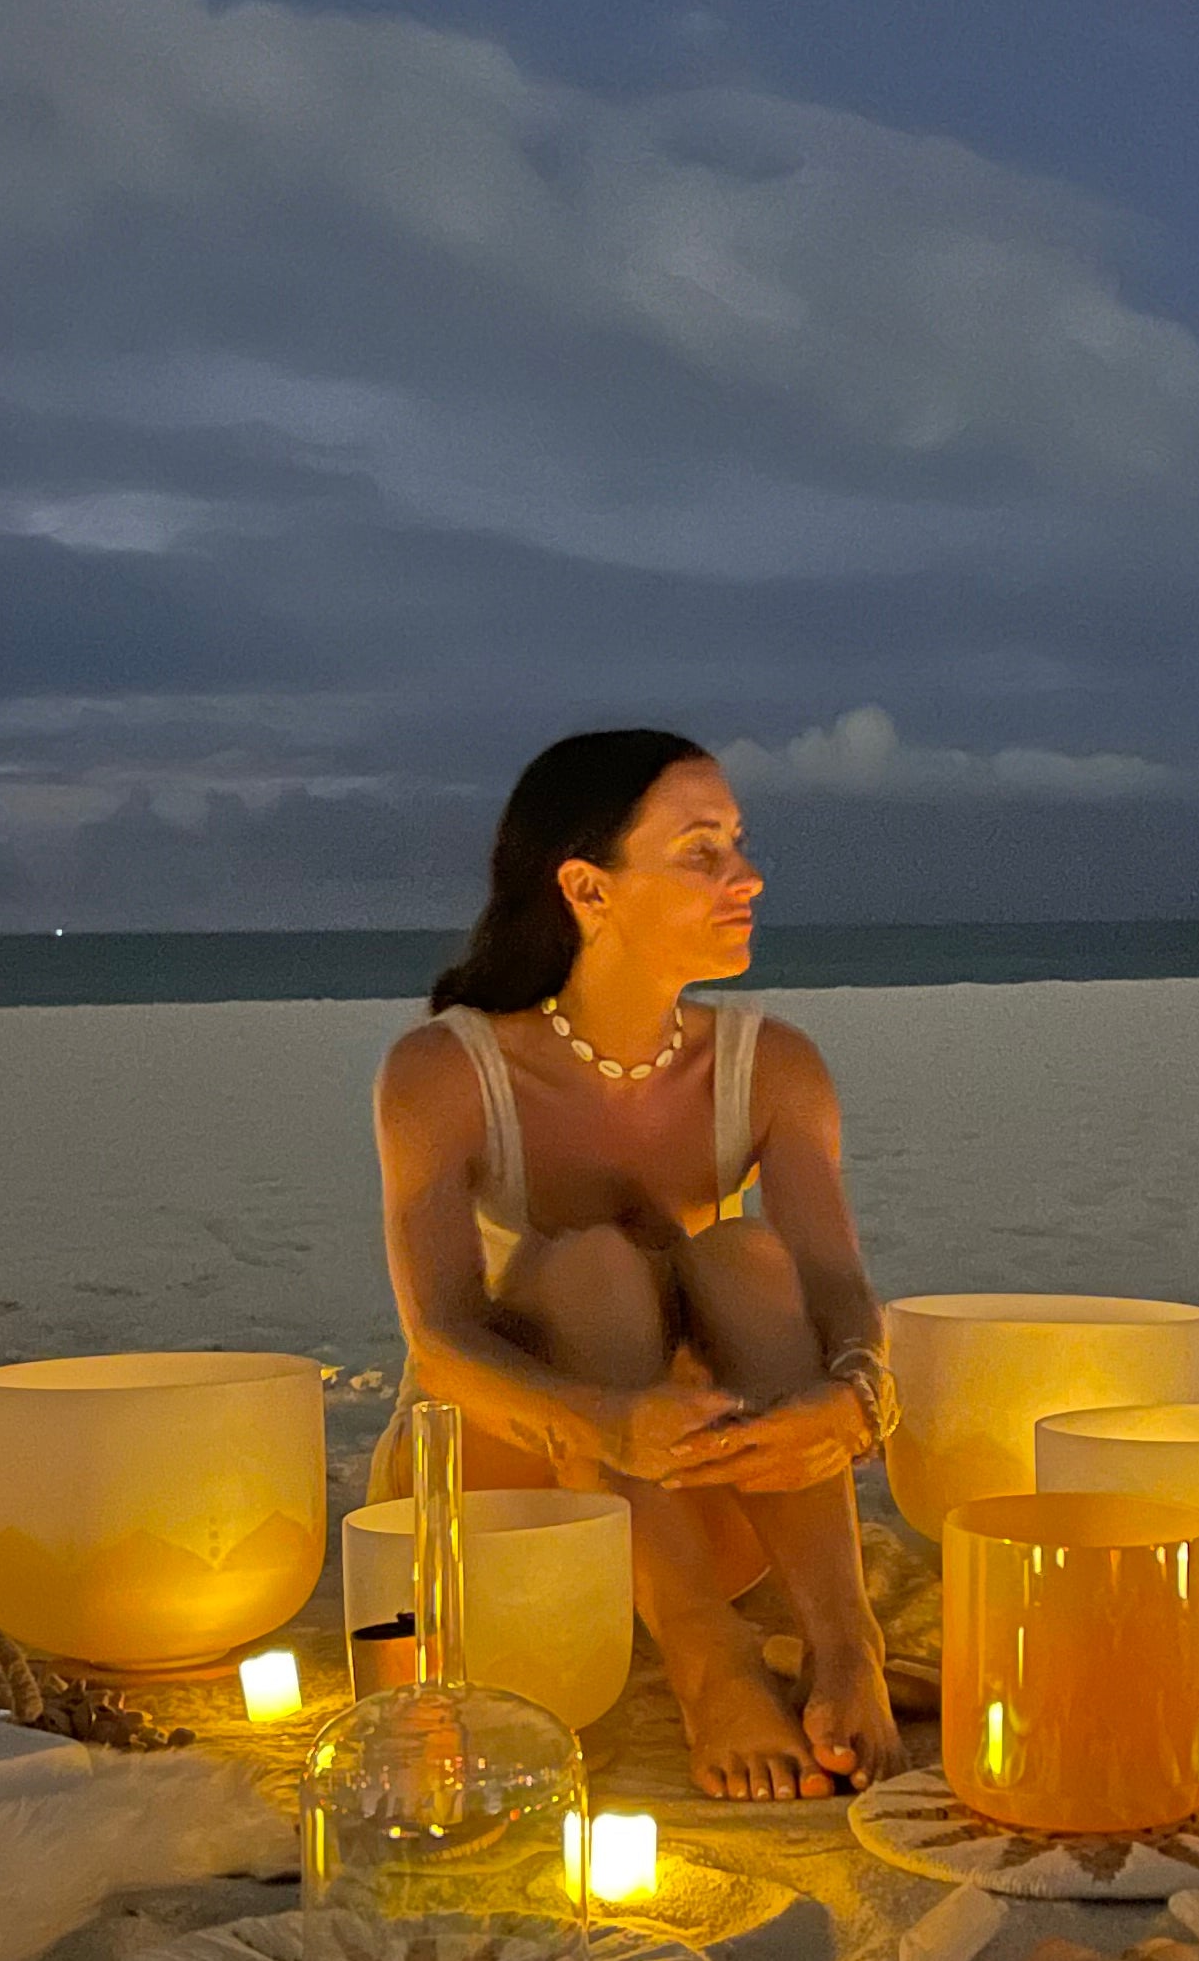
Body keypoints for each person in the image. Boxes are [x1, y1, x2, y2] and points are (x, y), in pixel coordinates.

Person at [373, 729, 903, 1803]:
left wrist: (859, 1396)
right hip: (512, 1504)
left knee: (748, 1255)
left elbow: (837, 1291)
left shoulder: (773, 1066)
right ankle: (708, 1658)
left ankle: (844, 1642)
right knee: (593, 1271)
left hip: (704, 1497)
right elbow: (438, 1342)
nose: (745, 876)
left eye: (738, 845)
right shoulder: (448, 1070)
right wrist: (598, 1421)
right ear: (587, 887)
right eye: (700, 852)